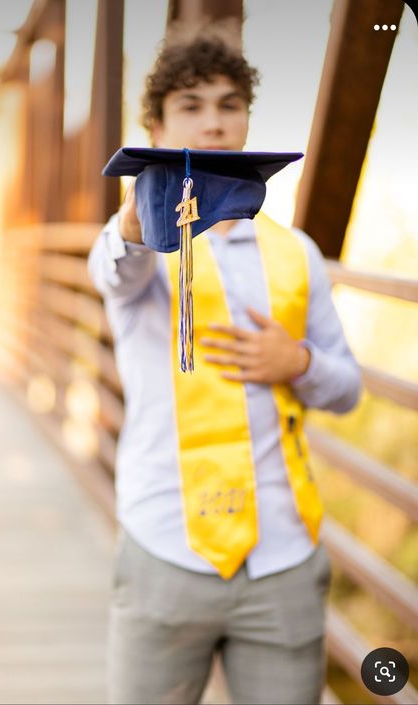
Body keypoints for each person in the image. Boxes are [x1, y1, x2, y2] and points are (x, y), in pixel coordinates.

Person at [87, 21, 362, 705]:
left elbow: (347, 388)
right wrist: (134, 224)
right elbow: (112, 274)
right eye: (190, 105)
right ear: (154, 124)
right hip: (165, 550)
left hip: (282, 557)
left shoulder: (295, 252)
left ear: (246, 117)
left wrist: (295, 360)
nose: (212, 124)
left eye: (227, 104)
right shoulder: (140, 245)